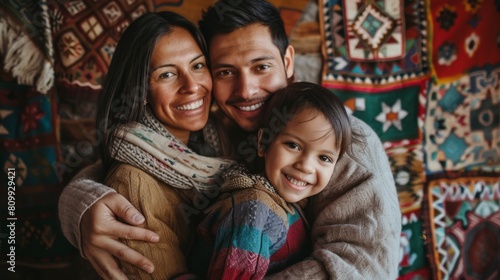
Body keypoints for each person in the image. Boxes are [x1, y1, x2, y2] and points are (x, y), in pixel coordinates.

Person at [58, 1, 402, 279]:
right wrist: (81, 205)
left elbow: (364, 268)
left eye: (261, 67)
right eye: (225, 72)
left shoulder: (346, 143)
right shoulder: (214, 124)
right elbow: (125, 166)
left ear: (288, 61)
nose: (246, 90)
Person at [77, 11, 238, 279]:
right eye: (166, 75)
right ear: (139, 91)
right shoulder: (132, 185)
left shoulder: (225, 137)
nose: (192, 86)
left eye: (197, 66)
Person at [190, 82, 358, 279]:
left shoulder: (290, 204)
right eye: (293, 145)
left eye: (324, 158)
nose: (305, 166)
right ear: (263, 143)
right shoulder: (254, 209)